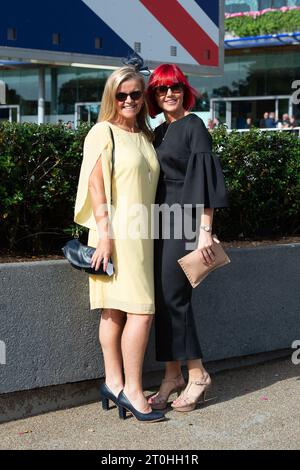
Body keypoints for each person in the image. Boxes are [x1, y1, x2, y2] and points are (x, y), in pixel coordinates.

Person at [73, 60, 164, 422]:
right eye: (121, 94)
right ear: (112, 96)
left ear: (144, 97)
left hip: (141, 234)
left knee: (116, 311)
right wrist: (106, 238)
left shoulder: (145, 135)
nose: (129, 100)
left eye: (135, 94)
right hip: (113, 234)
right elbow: (97, 188)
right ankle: (132, 389)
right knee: (140, 311)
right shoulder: (101, 132)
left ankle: (113, 383)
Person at [146, 64, 229, 412]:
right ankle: (171, 375)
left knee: (175, 299)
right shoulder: (160, 131)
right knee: (162, 300)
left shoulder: (193, 126)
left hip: (185, 223)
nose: (169, 94)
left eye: (175, 88)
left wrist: (204, 231)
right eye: (162, 90)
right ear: (154, 95)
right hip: (159, 223)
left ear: (185, 90)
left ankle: (197, 374)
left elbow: (206, 182)